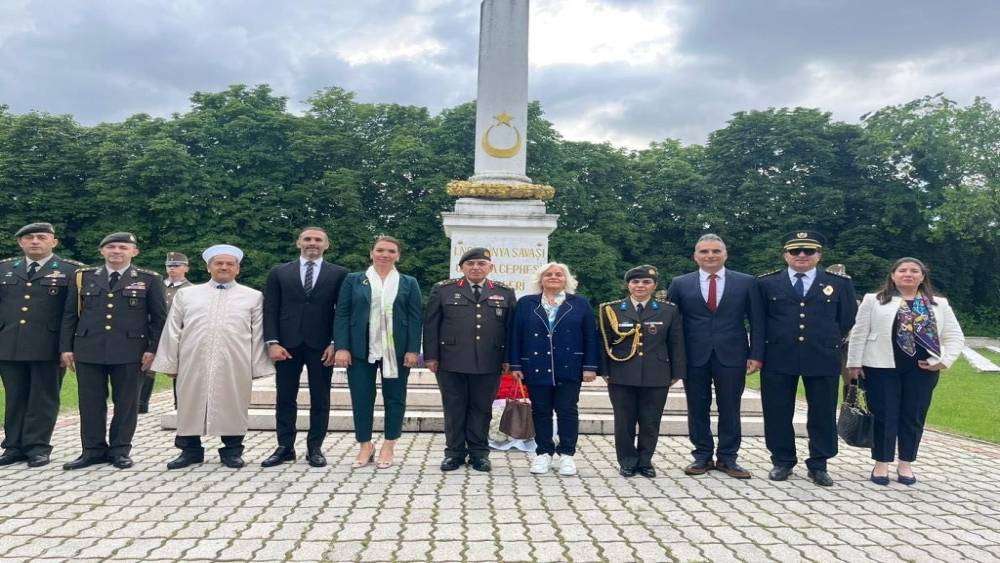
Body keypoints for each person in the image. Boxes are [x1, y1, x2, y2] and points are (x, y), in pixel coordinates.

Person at [153, 245, 274, 469]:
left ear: (237, 269)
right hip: (192, 360)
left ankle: (232, 451)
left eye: (230, 264)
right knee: (188, 403)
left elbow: (258, 334)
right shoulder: (187, 295)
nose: (224, 267)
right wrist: (170, 362)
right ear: (209, 267)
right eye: (219, 263)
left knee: (233, 404)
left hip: (235, 361)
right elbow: (172, 329)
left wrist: (258, 367)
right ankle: (190, 450)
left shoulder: (253, 296)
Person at [846, 258, 965, 486]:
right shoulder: (875, 300)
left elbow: (954, 337)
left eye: (914, 271)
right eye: (902, 270)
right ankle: (881, 462)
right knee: (884, 415)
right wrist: (854, 364)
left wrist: (943, 361)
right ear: (893, 275)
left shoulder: (939, 304)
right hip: (881, 367)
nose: (908, 274)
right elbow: (859, 333)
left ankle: (906, 463)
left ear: (922, 276)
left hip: (922, 370)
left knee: (913, 416)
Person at [60, 232, 167, 470]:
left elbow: (159, 320)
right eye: (111, 247)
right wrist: (66, 347)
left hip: (131, 351)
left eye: (122, 247)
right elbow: (70, 315)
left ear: (134, 252)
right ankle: (92, 450)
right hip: (88, 349)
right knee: (90, 403)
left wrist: (153, 349)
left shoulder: (149, 279)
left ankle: (120, 450)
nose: (116, 251)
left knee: (126, 403)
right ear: (102, 251)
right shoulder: (83, 277)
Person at [757, 231, 856, 486]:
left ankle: (819, 463)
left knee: (822, 412)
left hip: (822, 355)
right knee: (777, 411)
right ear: (785, 255)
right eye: (795, 251)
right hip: (779, 355)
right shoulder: (767, 283)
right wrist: (756, 355)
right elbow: (759, 323)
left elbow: (846, 320)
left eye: (808, 251)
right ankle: (782, 460)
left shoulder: (839, 283)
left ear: (819, 255)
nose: (801, 255)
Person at [666, 234, 764, 479]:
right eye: (704, 251)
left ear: (725, 254)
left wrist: (756, 354)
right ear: (695, 256)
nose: (710, 255)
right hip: (693, 355)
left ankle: (728, 458)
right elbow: (672, 324)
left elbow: (758, 321)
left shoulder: (746, 282)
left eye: (715, 251)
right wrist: (673, 358)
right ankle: (702, 456)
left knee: (730, 407)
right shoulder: (680, 283)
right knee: (697, 407)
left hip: (732, 354)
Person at [424, 247, 516, 472]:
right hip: (450, 360)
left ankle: (479, 453)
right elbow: (431, 325)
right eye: (470, 264)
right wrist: (431, 356)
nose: (476, 267)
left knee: (481, 408)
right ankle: (454, 453)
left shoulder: (504, 293)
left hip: (489, 360)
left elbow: (511, 329)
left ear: (490, 267)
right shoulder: (444, 290)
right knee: (454, 408)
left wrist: (508, 359)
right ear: (461, 267)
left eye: (481, 264)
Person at [333, 236, 422, 469]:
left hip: (397, 351)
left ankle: (389, 444)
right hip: (361, 349)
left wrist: (413, 349)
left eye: (391, 251)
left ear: (398, 255)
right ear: (371, 253)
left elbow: (415, 318)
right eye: (380, 250)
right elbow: (342, 314)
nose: (385, 254)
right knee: (362, 397)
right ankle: (365, 445)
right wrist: (341, 346)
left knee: (395, 398)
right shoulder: (354, 280)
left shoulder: (408, 282)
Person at [261, 227, 347, 468]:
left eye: (318, 240)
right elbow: (270, 309)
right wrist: (272, 342)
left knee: (320, 398)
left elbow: (342, 311)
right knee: (285, 397)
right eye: (308, 239)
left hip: (322, 346)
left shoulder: (339, 274)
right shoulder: (279, 272)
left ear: (326, 245)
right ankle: (285, 447)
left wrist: (335, 343)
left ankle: (315, 448)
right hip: (287, 345)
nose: (313, 243)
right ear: (299, 242)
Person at [0, 223, 84, 468]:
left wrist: (67, 347)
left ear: (53, 242)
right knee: (15, 397)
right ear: (20, 243)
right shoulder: (4, 268)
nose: (35, 241)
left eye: (41, 237)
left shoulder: (71, 271)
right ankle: (13, 446)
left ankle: (38, 446)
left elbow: (73, 314)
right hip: (9, 344)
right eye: (29, 238)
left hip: (48, 346)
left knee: (43, 398)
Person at [508, 262, 599, 476]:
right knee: (541, 411)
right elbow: (515, 335)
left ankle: (567, 455)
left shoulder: (580, 303)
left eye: (559, 274)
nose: (554, 277)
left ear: (566, 280)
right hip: (536, 366)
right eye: (548, 274)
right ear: (541, 279)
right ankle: (543, 454)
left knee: (567, 410)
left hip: (570, 366)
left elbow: (591, 337)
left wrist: (590, 366)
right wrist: (515, 364)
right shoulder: (525, 303)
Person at [599, 265, 685, 478]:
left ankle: (645, 461)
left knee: (650, 421)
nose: (640, 286)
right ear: (627, 285)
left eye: (646, 282)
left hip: (657, 373)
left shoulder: (668, 310)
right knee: (624, 421)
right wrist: (604, 371)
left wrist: (677, 372)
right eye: (635, 282)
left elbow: (676, 342)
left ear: (654, 286)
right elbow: (603, 342)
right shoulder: (612, 309)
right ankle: (627, 461)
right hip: (621, 372)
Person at [138, 251, 191, 414]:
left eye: (176, 265)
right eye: (169, 266)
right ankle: (141, 404)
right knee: (146, 366)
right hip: (153, 330)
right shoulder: (156, 284)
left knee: (178, 368)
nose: (172, 269)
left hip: (177, 333)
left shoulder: (190, 289)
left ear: (186, 268)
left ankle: (179, 405)